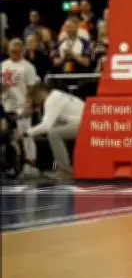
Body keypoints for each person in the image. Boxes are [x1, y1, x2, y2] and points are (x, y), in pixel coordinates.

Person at [16, 83, 84, 180]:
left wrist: (26, 133)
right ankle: (64, 167)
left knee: (53, 133)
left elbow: (46, 126)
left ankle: (65, 171)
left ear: (38, 94)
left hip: (83, 125)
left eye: (33, 99)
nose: (35, 102)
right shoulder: (56, 94)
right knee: (55, 128)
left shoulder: (51, 101)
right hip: (84, 122)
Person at [1, 38, 40, 177]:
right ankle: (9, 164)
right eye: (12, 51)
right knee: (7, 137)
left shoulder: (28, 67)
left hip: (21, 106)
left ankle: (31, 164)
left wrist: (29, 106)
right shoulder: (2, 65)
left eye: (17, 51)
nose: (15, 54)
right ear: (8, 51)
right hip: (4, 106)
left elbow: (32, 89)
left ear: (22, 51)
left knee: (26, 135)